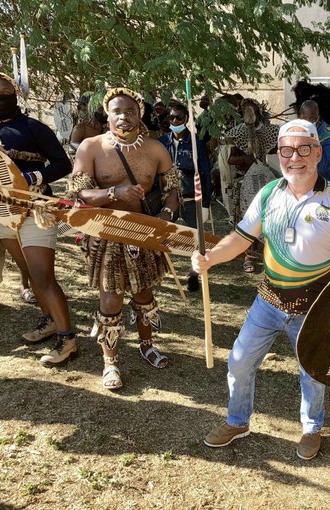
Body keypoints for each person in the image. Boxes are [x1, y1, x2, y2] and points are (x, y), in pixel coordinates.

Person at [192, 119, 330, 460]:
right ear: (278, 154)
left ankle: (312, 428)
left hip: (315, 305)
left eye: (303, 149)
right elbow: (241, 239)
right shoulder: (268, 193)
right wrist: (210, 258)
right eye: (286, 150)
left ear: (316, 153)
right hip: (269, 300)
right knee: (239, 361)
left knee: (312, 372)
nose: (294, 158)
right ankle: (237, 421)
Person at [70, 87, 179, 390]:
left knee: (144, 295)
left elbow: (173, 188)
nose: (124, 116)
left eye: (130, 111)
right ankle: (110, 362)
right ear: (107, 115)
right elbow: (79, 193)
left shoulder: (156, 149)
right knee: (111, 298)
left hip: (144, 232)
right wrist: (113, 193)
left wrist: (167, 216)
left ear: (139, 114)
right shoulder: (90, 147)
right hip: (106, 233)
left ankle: (147, 345)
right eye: (117, 111)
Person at [0, 72, 77, 367]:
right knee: (31, 276)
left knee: (43, 278)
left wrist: (33, 176)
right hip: (1, 215)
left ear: (15, 95)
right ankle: (49, 321)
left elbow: (63, 163)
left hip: (35, 212)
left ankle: (67, 339)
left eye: (5, 90)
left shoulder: (34, 127)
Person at [158, 100, 212, 292]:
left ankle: (193, 274)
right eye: (171, 117)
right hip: (166, 200)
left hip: (191, 198)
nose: (174, 120)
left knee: (196, 239)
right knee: (160, 234)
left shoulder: (196, 143)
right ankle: (159, 272)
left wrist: (205, 202)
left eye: (179, 117)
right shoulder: (161, 142)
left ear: (186, 119)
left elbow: (205, 173)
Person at [224, 98, 280, 273]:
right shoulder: (236, 133)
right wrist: (246, 160)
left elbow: (276, 150)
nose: (249, 114)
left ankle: (268, 253)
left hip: (264, 180)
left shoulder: (269, 132)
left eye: (252, 110)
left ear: (258, 113)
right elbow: (231, 159)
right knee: (245, 217)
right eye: (246, 111)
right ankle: (248, 256)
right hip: (244, 180)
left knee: (269, 215)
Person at [298, 100, 330, 182]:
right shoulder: (296, 135)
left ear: (318, 116)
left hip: (322, 187)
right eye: (304, 119)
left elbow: (322, 169)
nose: (308, 122)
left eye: (312, 118)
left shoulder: (329, 138)